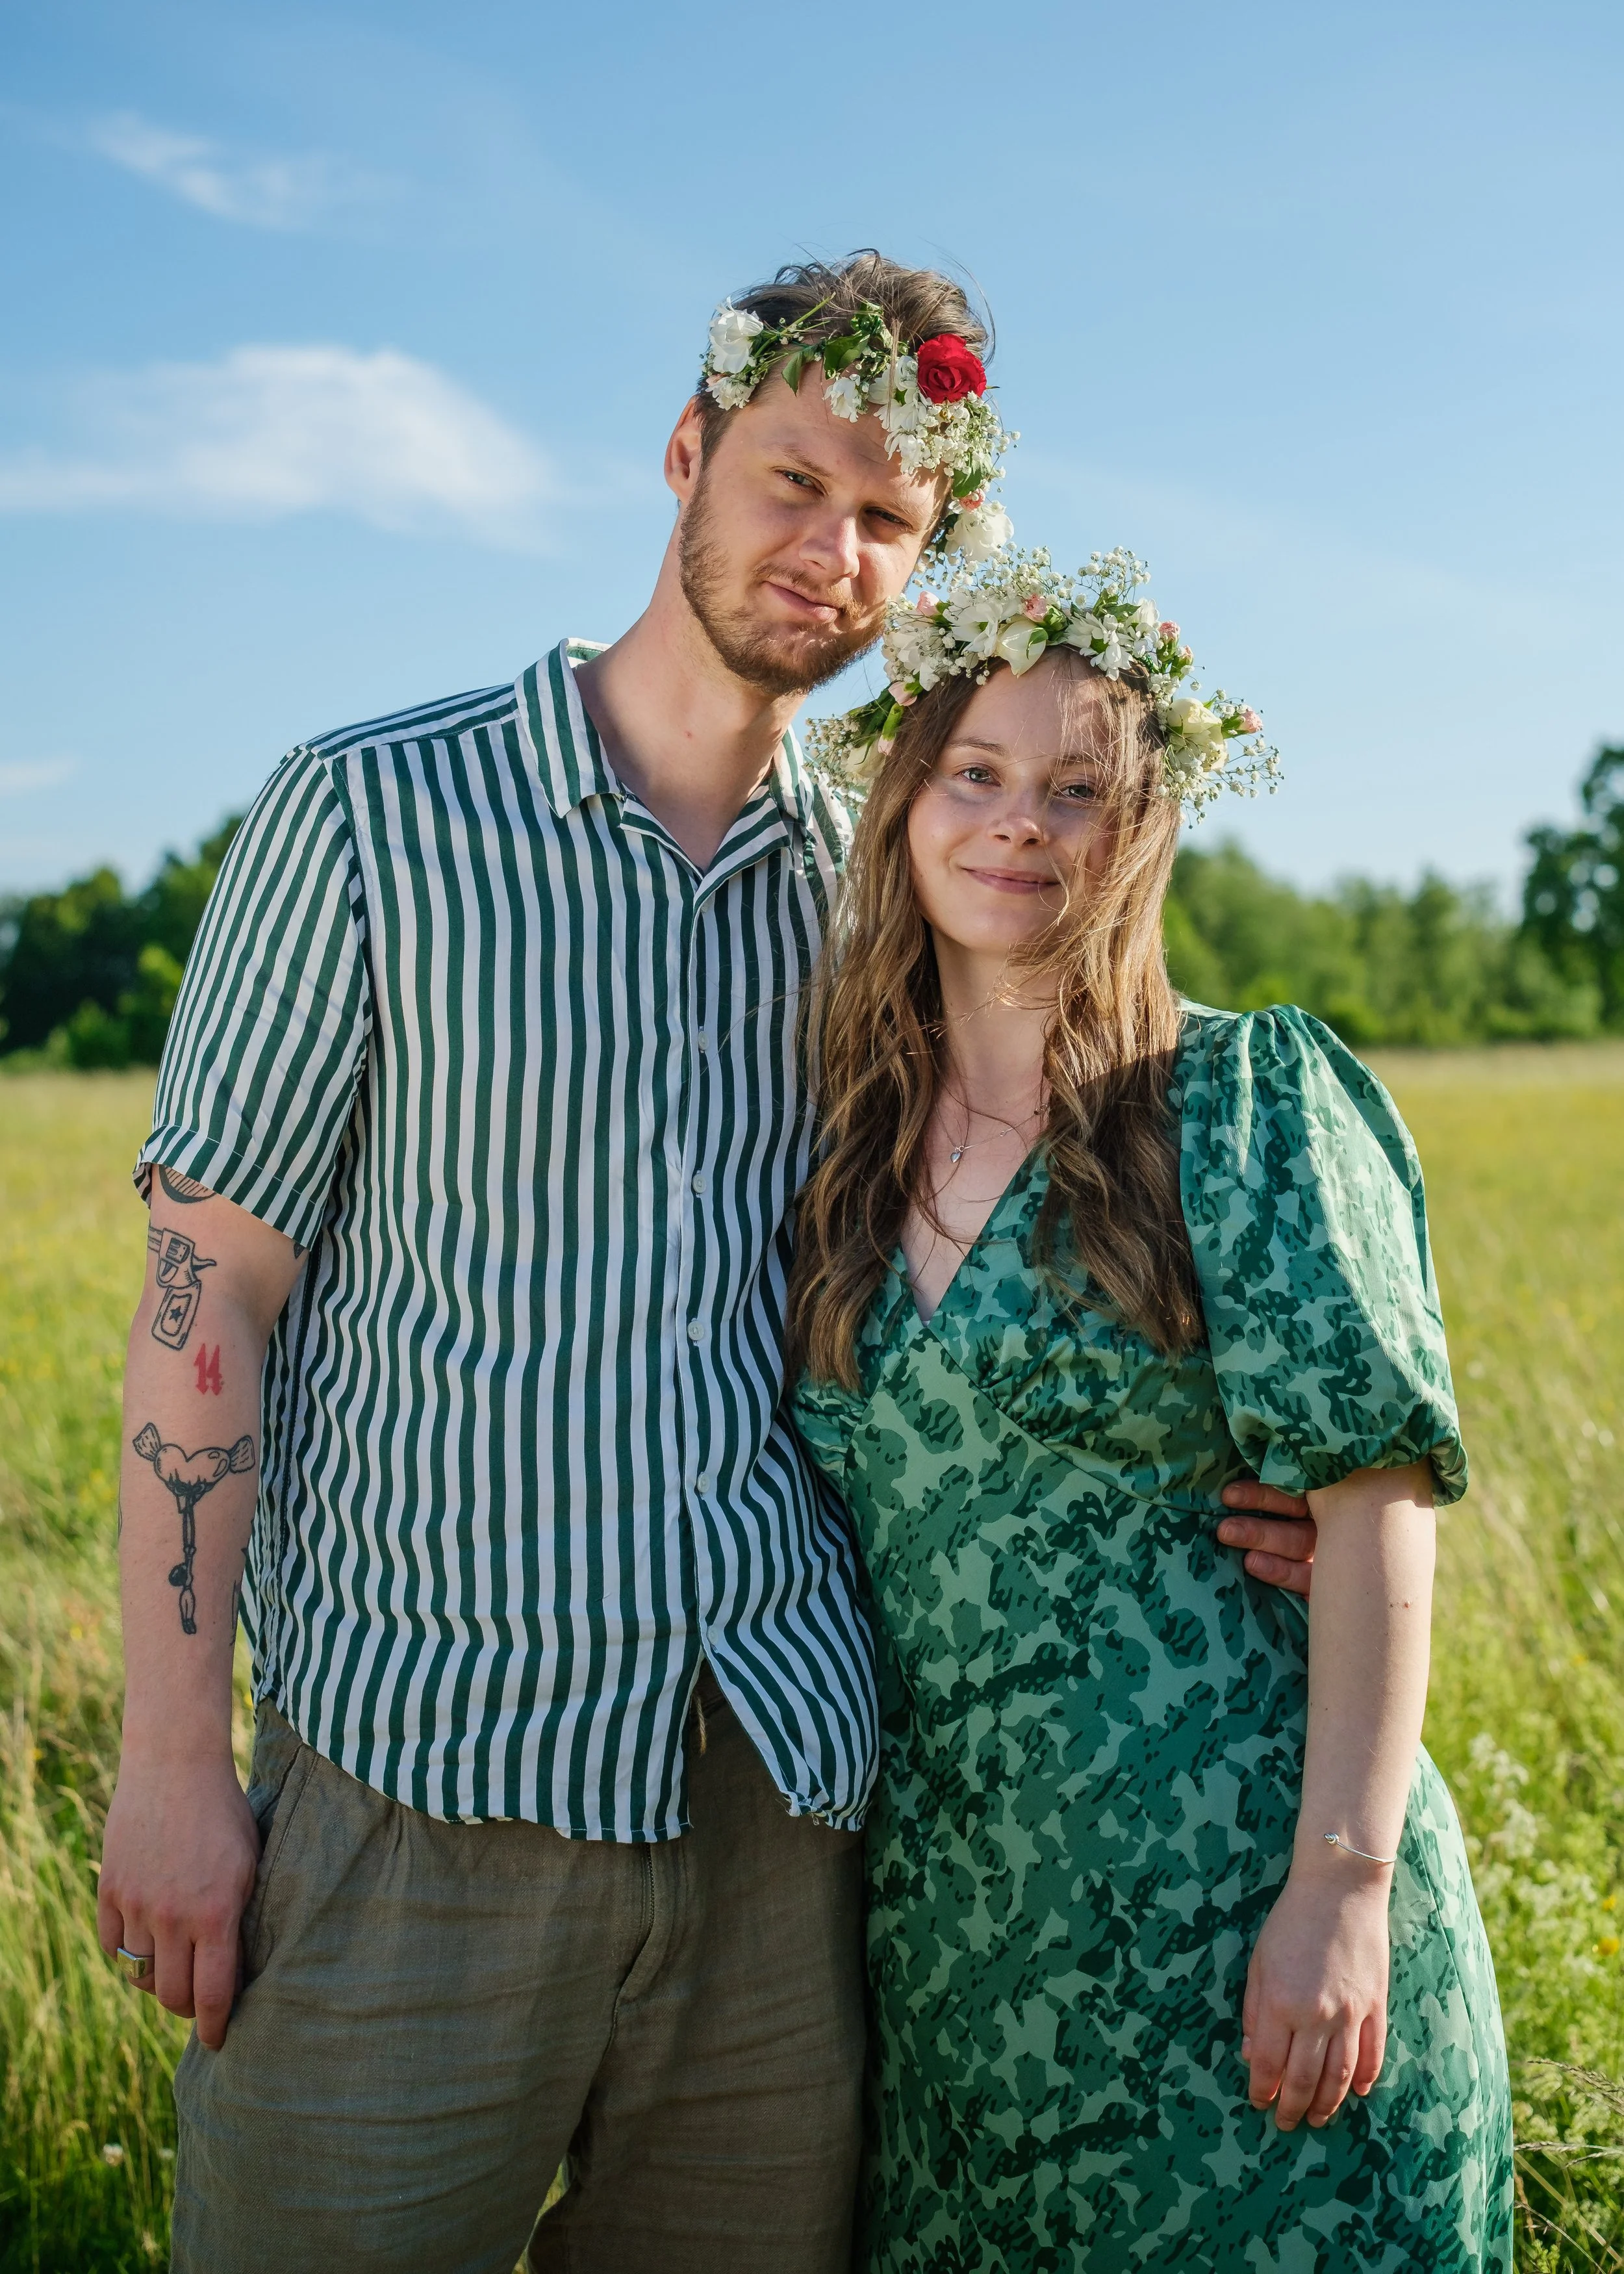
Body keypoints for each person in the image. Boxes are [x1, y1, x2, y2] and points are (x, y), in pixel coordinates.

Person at [97, 253, 1314, 2274]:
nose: (832, 552)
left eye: (890, 521)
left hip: (779, 1807)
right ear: (685, 454)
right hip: (419, 1790)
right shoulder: (374, 813)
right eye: (790, 482)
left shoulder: (889, 866)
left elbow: (1054, 1139)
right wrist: (168, 1768)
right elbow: (200, 1292)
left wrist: (1210, 1484)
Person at [788, 550, 1514, 2271]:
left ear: (1141, 827)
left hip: (1251, 1926)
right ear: (903, 803)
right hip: (968, 1952)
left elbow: (1372, 1490)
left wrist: (1336, 1893)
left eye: (1075, 789)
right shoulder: (838, 1154)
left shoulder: (1242, 1099)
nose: (1016, 824)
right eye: (974, 773)